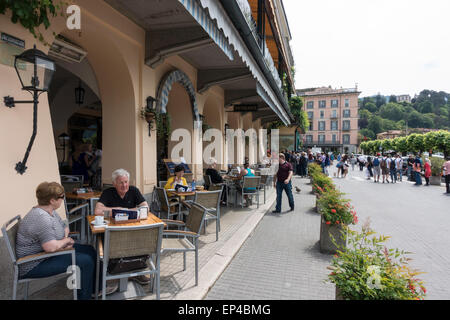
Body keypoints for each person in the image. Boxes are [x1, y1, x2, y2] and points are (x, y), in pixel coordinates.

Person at [16, 182, 117, 300]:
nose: (63, 199)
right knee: (86, 261)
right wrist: (65, 241)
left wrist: (63, 240)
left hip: (48, 254)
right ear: (52, 200)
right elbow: (50, 247)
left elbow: (64, 225)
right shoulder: (42, 218)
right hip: (34, 263)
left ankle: (97, 289)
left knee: (90, 250)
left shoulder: (50, 210)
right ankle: (84, 297)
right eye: (62, 197)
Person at [94, 169, 150, 285]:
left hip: (132, 231)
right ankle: (114, 272)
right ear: (114, 183)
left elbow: (145, 207)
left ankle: (137, 272)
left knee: (141, 242)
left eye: (126, 182)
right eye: (121, 182)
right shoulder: (108, 192)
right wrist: (116, 210)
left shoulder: (133, 190)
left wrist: (128, 211)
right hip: (113, 232)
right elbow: (97, 210)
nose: (124, 185)